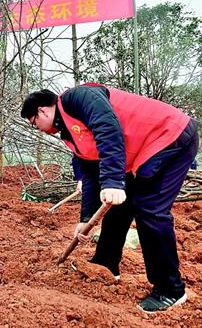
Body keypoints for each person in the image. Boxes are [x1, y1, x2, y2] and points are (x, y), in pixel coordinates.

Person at [20, 83, 198, 313]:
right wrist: (85, 219)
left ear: (43, 110)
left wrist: (113, 181)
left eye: (35, 123)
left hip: (170, 136)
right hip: (145, 151)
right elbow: (90, 172)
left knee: (150, 211)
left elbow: (107, 127)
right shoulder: (69, 131)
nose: (39, 129)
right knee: (118, 207)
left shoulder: (78, 98)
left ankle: (170, 290)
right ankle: (106, 264)